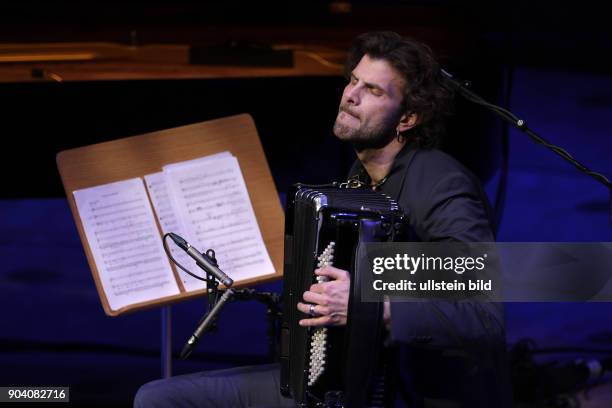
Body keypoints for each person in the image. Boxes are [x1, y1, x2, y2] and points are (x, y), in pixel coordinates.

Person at [135, 31, 510, 408]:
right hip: (342, 381)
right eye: (353, 81)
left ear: (408, 118)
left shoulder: (441, 186)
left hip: (404, 394)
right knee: (158, 397)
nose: (350, 96)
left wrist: (372, 308)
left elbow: (484, 320)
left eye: (373, 91)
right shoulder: (360, 179)